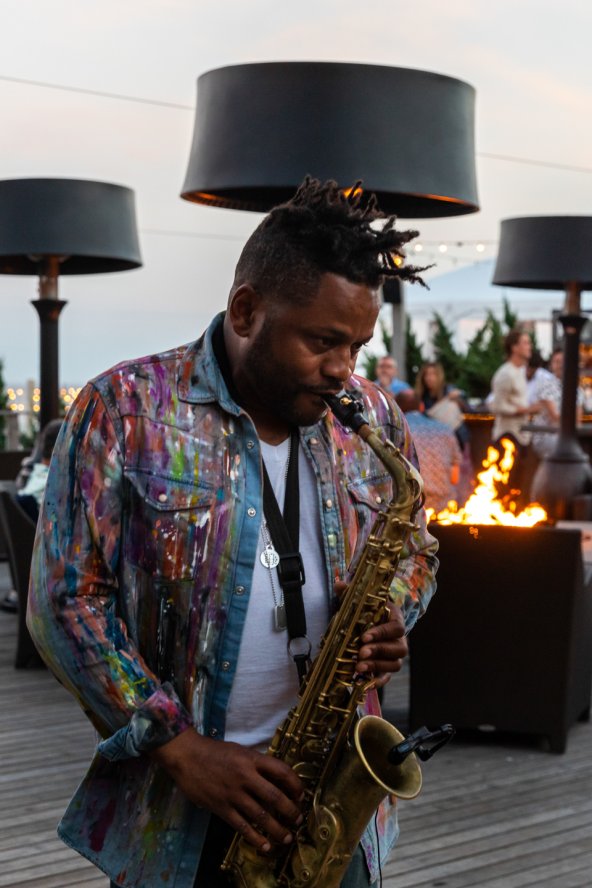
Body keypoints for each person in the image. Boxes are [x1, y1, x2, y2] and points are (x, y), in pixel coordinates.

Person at [27, 178, 438, 888]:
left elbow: (416, 548)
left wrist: (394, 611)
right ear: (246, 309)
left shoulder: (367, 415)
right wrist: (179, 747)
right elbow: (66, 602)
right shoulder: (124, 410)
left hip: (332, 804)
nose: (344, 369)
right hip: (183, 804)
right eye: (323, 341)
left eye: (358, 346)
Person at [395, 389, 461, 513]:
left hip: (413, 508)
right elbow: (454, 477)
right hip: (445, 505)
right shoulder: (445, 429)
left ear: (396, 409)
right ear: (421, 406)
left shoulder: (397, 431)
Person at [531, 347, 582, 459]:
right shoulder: (546, 384)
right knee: (566, 449)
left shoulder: (576, 388)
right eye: (557, 362)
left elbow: (578, 419)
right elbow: (555, 418)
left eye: (563, 362)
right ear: (552, 365)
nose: (560, 365)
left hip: (566, 436)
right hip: (547, 434)